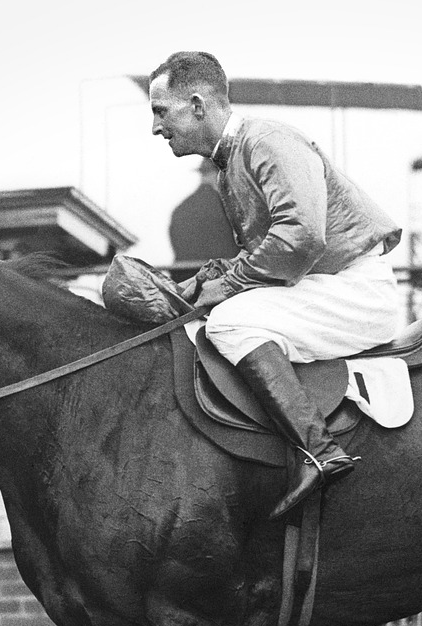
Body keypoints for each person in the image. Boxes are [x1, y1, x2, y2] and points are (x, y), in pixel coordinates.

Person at [148, 51, 403, 518]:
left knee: (227, 321)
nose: (156, 128)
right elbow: (262, 254)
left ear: (199, 104)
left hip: (355, 288)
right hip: (326, 286)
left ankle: (319, 451)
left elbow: (300, 238)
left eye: (161, 112)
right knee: (219, 311)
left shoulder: (267, 140)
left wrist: (223, 290)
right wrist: (201, 281)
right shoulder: (230, 165)